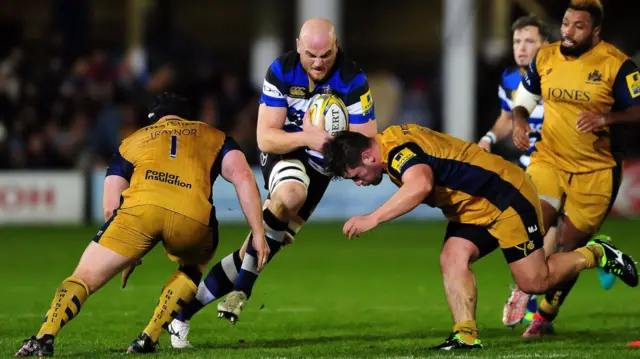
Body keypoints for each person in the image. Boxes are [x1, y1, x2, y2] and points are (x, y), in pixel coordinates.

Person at [321, 125, 638, 350]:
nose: (360, 184)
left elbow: (420, 185)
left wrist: (373, 217)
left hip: (504, 197)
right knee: (452, 257)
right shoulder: (388, 139)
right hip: (474, 207)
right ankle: (466, 334)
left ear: (367, 156)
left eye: (357, 177)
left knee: (534, 282)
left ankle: (597, 253)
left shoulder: (399, 152)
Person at [167, 17, 378, 348]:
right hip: (286, 152)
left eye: (325, 55)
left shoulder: (353, 78)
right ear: (298, 46)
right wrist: (308, 137)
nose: (319, 63)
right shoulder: (281, 70)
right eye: (311, 55)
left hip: (323, 168)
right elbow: (265, 139)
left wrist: (334, 143)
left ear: (336, 47)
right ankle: (244, 290)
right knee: (291, 193)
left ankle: (179, 318)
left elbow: (366, 141)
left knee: (249, 254)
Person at [13, 92, 269, 357]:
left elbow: (111, 205)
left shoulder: (133, 140)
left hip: (138, 213)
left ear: (153, 119)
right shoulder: (215, 136)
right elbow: (243, 177)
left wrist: (127, 254)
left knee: (83, 278)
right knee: (193, 266)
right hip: (191, 216)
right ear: (186, 116)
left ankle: (44, 337)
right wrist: (258, 233)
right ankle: (149, 336)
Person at [511, 0, 640, 337]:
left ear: (595, 31)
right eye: (566, 23)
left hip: (596, 170)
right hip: (549, 159)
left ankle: (543, 317)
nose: (568, 31)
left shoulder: (617, 65)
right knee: (529, 229)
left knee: (568, 252)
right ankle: (528, 287)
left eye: (578, 26)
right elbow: (525, 96)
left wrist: (607, 116)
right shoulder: (546, 55)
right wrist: (519, 121)